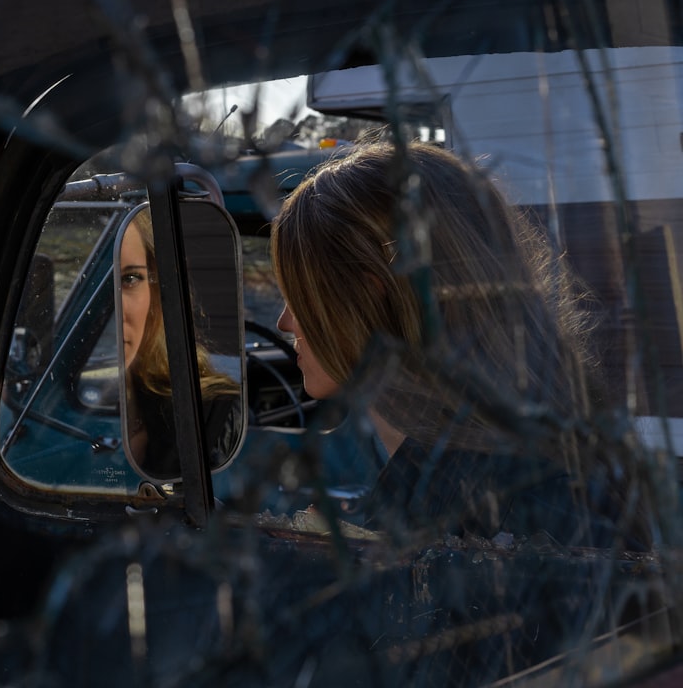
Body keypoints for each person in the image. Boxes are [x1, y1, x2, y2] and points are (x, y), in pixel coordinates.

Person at [270, 140, 647, 548]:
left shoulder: (526, 504)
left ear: (369, 297)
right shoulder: (471, 465)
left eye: (300, 297)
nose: (284, 322)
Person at [119, 208, 242, 481]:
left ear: (157, 293)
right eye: (92, 283)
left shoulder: (210, 414)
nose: (115, 308)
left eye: (130, 279)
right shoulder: (43, 413)